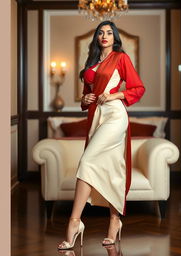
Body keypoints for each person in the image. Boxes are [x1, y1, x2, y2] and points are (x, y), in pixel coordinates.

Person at [57, 20, 145, 250]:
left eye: (108, 32)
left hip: (115, 117)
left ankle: (74, 222)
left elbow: (138, 88)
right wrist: (84, 100)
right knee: (112, 167)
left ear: (115, 37)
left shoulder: (121, 58)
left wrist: (115, 96)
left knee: (86, 160)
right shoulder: (92, 62)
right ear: (96, 38)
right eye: (100, 33)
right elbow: (88, 94)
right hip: (96, 117)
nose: (104, 36)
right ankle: (114, 220)